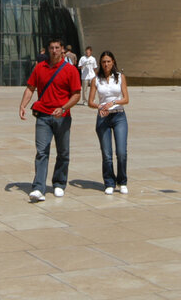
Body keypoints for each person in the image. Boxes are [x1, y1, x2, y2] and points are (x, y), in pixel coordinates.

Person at [18, 38, 81, 202]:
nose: (54, 51)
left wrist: (65, 108)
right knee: (41, 152)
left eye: (57, 48)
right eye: (51, 48)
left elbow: (76, 94)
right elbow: (30, 88)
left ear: (62, 50)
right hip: (44, 116)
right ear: (48, 49)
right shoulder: (40, 68)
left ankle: (59, 183)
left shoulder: (70, 70)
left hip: (62, 117)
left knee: (63, 152)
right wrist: (23, 105)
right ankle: (39, 187)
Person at [88, 50, 130, 194]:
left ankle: (122, 181)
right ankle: (109, 182)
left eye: (108, 61)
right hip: (103, 117)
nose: (106, 64)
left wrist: (113, 102)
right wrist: (100, 106)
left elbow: (126, 99)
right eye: (104, 62)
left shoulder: (120, 77)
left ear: (113, 62)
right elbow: (90, 102)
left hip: (119, 116)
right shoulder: (96, 79)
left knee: (121, 152)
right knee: (107, 154)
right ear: (100, 63)